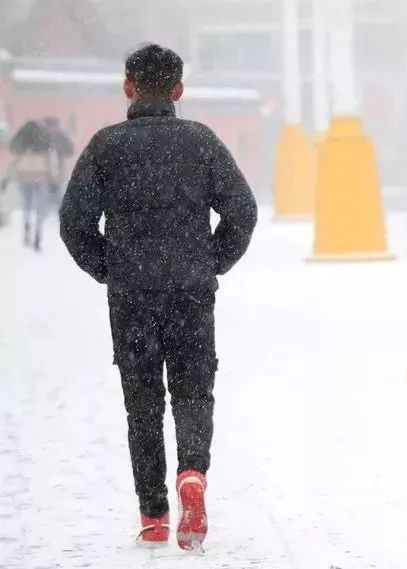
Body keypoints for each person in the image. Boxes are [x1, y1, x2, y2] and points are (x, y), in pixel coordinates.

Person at [59, 44, 257, 550]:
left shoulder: (105, 147)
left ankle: (153, 513)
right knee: (193, 391)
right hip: (191, 291)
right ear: (179, 91)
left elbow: (74, 223)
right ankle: (192, 472)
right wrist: (212, 261)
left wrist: (109, 268)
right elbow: (242, 210)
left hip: (131, 295)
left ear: (128, 87)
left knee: (142, 403)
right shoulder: (201, 142)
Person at [1, 120, 60, 251]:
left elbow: (14, 162)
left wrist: (6, 178)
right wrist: (54, 180)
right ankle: (38, 233)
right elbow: (51, 163)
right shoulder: (45, 141)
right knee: (41, 207)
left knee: (27, 204)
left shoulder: (22, 143)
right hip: (42, 177)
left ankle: (27, 223)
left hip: (25, 176)